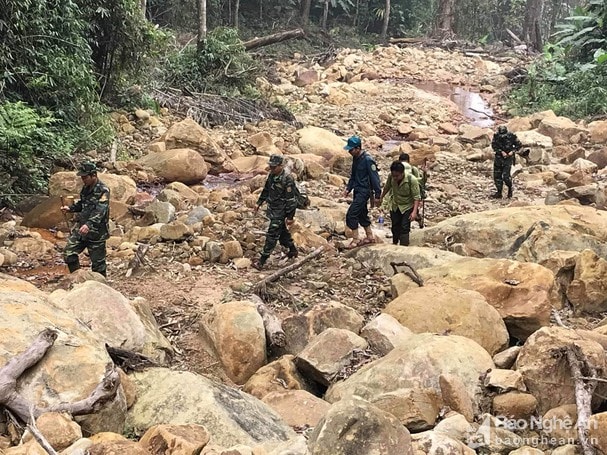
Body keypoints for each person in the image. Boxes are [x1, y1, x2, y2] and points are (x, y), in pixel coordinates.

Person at [61, 162, 110, 276]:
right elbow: (82, 204)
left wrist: (88, 224)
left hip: (97, 233)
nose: (83, 179)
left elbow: (100, 211)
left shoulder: (103, 190)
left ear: (94, 175)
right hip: (82, 230)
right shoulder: (85, 189)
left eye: (85, 177)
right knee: (69, 252)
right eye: (82, 177)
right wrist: (70, 208)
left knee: (98, 266)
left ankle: (101, 287)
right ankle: (77, 277)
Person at [253, 154, 298, 270]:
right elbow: (266, 190)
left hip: (281, 211)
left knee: (272, 235)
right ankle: (292, 250)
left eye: (274, 167)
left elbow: (291, 200)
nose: (271, 169)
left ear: (281, 166)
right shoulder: (272, 176)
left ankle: (262, 261)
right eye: (271, 166)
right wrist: (259, 203)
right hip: (273, 209)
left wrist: (290, 217)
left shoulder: (288, 179)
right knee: (282, 233)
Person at [343, 135, 382, 247]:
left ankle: (356, 239)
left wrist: (377, 194)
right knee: (361, 213)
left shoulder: (368, 160)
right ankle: (370, 236)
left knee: (351, 214)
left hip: (365, 191)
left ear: (358, 148)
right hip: (357, 190)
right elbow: (353, 175)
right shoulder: (356, 158)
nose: (349, 151)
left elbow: (375, 178)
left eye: (351, 149)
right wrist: (348, 189)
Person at [379, 161, 421, 246]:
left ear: (402, 173)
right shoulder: (391, 177)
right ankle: (394, 243)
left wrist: (414, 212)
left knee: (405, 227)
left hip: (407, 206)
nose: (395, 178)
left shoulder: (411, 180)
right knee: (395, 226)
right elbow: (387, 187)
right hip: (395, 204)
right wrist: (381, 198)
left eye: (397, 176)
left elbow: (417, 197)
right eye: (393, 176)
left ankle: (404, 246)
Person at [491, 125, 522, 199]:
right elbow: (494, 146)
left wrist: (512, 151)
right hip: (498, 158)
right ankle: (499, 192)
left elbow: (519, 145)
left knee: (506, 176)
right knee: (497, 176)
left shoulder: (511, 136)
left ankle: (510, 189)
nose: (502, 137)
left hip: (508, 159)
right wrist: (501, 151)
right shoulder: (496, 136)